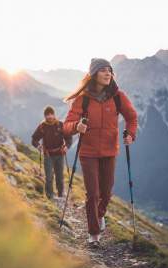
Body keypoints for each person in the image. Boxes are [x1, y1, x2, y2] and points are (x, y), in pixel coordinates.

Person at [63, 58, 138, 248]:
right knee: (93, 194)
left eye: (110, 70)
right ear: (93, 74)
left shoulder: (118, 96)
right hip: (88, 153)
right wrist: (76, 126)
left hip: (110, 151)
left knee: (106, 192)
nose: (108, 74)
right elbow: (66, 126)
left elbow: (132, 117)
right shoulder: (84, 99)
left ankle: (100, 214)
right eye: (103, 70)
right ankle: (94, 234)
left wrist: (131, 134)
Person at [32, 105, 73, 200]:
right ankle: (50, 196)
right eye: (47, 115)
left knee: (60, 176)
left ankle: (60, 195)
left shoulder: (60, 125)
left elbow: (69, 138)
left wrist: (67, 146)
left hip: (60, 154)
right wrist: (38, 146)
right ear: (45, 116)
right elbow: (34, 139)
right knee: (49, 177)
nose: (50, 116)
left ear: (54, 114)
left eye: (51, 114)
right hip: (48, 155)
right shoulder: (42, 126)